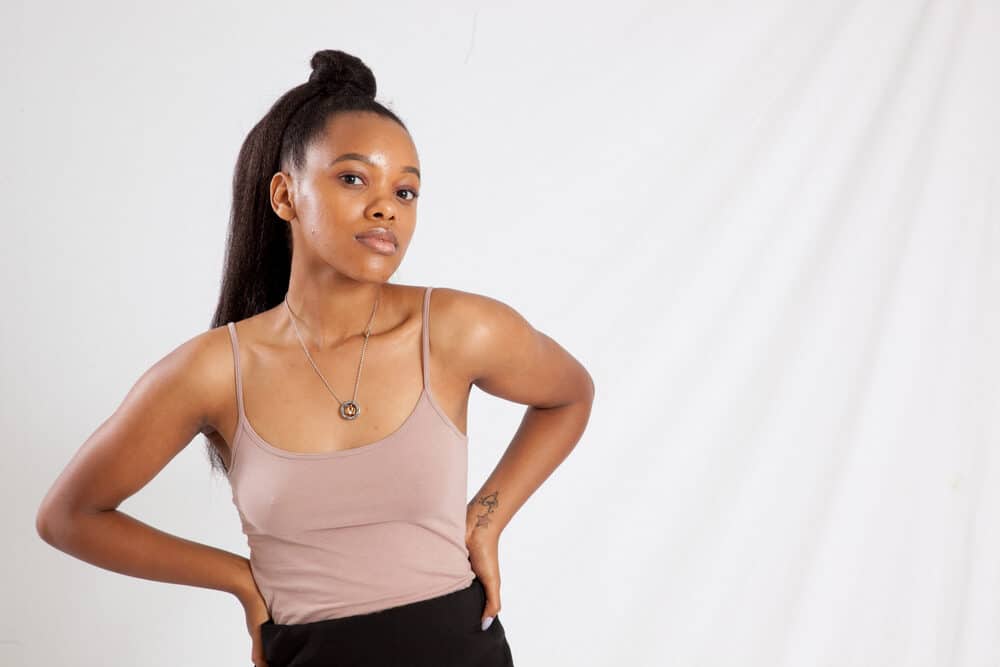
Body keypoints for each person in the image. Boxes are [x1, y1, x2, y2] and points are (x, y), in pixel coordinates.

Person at [35, 48, 595, 666]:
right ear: (284, 196)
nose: (386, 207)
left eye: (405, 191)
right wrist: (239, 580)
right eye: (353, 178)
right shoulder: (213, 370)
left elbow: (568, 394)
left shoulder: (458, 330)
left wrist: (486, 519)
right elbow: (70, 516)